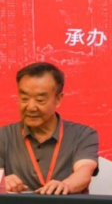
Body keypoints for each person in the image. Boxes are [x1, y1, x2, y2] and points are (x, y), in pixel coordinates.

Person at [0, 62, 99, 195]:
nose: (31, 107)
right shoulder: (4, 136)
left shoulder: (83, 135)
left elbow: (84, 171)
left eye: (40, 100)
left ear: (58, 99)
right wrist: (2, 181)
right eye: (24, 99)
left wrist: (65, 185)